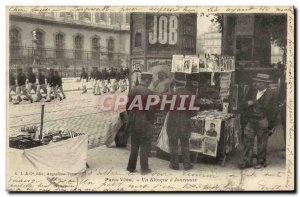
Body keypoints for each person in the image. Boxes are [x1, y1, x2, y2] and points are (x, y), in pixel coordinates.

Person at [238, 73, 278, 169]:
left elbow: (275, 110)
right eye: (256, 82)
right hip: (251, 119)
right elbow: (243, 103)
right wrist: (247, 103)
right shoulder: (252, 91)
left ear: (265, 83)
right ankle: (247, 161)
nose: (256, 84)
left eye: (259, 82)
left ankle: (260, 161)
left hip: (263, 120)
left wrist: (271, 125)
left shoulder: (271, 94)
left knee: (262, 142)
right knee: (247, 140)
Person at [126, 72, 155, 175]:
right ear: (147, 80)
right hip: (144, 120)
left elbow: (128, 107)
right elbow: (150, 110)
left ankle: (131, 167)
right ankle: (144, 169)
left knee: (134, 144)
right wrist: (152, 121)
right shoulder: (149, 92)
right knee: (144, 144)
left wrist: (131, 116)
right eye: (150, 81)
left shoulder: (133, 90)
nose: (150, 82)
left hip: (133, 119)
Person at [166, 79, 197, 171]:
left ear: (176, 84)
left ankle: (174, 164)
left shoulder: (172, 95)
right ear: (185, 84)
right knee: (185, 143)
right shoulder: (190, 95)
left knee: (173, 143)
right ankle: (187, 165)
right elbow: (194, 112)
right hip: (185, 122)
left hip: (173, 122)